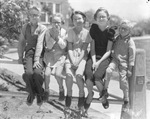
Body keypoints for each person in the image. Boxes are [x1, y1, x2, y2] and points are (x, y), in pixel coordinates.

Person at [84, 7, 115, 116]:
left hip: (104, 57)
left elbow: (108, 51)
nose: (101, 18)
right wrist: (93, 61)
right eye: (99, 17)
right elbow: (92, 49)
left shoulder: (111, 31)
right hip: (93, 56)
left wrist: (98, 62)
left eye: (103, 16)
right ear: (96, 19)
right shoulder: (94, 29)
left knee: (97, 77)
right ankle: (90, 94)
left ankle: (104, 97)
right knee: (88, 77)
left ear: (108, 18)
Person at [104, 19, 136, 112]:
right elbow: (111, 44)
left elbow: (132, 56)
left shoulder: (130, 42)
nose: (122, 30)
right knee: (108, 71)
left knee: (123, 80)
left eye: (125, 29)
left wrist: (130, 69)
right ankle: (105, 90)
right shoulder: (117, 38)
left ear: (129, 30)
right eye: (121, 28)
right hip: (115, 59)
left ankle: (126, 98)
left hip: (124, 62)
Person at [34, 13, 67, 102]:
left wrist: (57, 38)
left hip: (60, 56)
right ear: (51, 23)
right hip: (49, 56)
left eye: (58, 22)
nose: (56, 24)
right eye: (54, 22)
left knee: (58, 74)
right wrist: (53, 38)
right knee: (47, 74)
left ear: (62, 22)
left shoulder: (64, 32)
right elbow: (48, 46)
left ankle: (61, 89)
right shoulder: (48, 32)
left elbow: (63, 46)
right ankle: (47, 90)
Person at [64, 11, 92, 118]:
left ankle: (81, 104)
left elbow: (84, 50)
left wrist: (77, 62)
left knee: (79, 76)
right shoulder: (70, 32)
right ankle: (67, 104)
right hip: (71, 57)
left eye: (79, 18)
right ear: (72, 21)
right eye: (75, 19)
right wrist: (72, 61)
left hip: (82, 58)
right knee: (69, 76)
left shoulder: (87, 33)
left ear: (84, 20)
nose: (77, 21)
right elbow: (69, 48)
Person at [18, 6, 47, 106]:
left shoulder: (42, 28)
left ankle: (39, 93)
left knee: (37, 73)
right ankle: (32, 93)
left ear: (40, 16)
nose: (34, 17)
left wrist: (36, 60)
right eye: (32, 15)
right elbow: (21, 42)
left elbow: (39, 44)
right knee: (28, 73)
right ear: (29, 16)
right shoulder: (25, 27)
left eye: (36, 15)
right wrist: (20, 56)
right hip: (29, 53)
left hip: (39, 54)